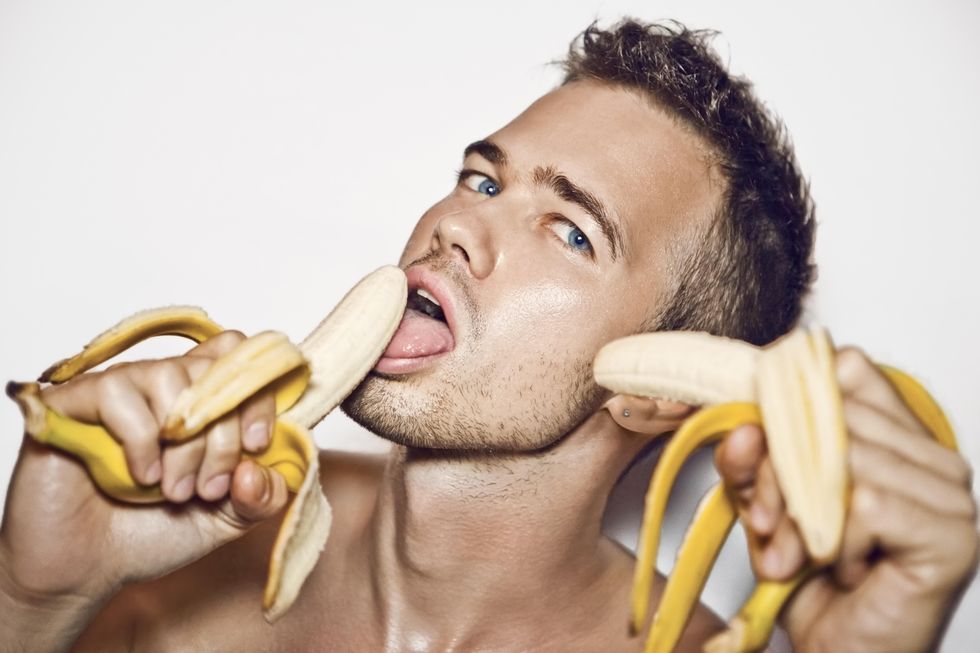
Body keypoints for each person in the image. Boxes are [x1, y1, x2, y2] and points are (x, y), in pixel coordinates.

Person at [1, 19, 976, 652]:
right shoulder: (177, 550)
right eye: (481, 179)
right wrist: (33, 597)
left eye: (570, 229)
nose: (455, 227)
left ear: (659, 393)